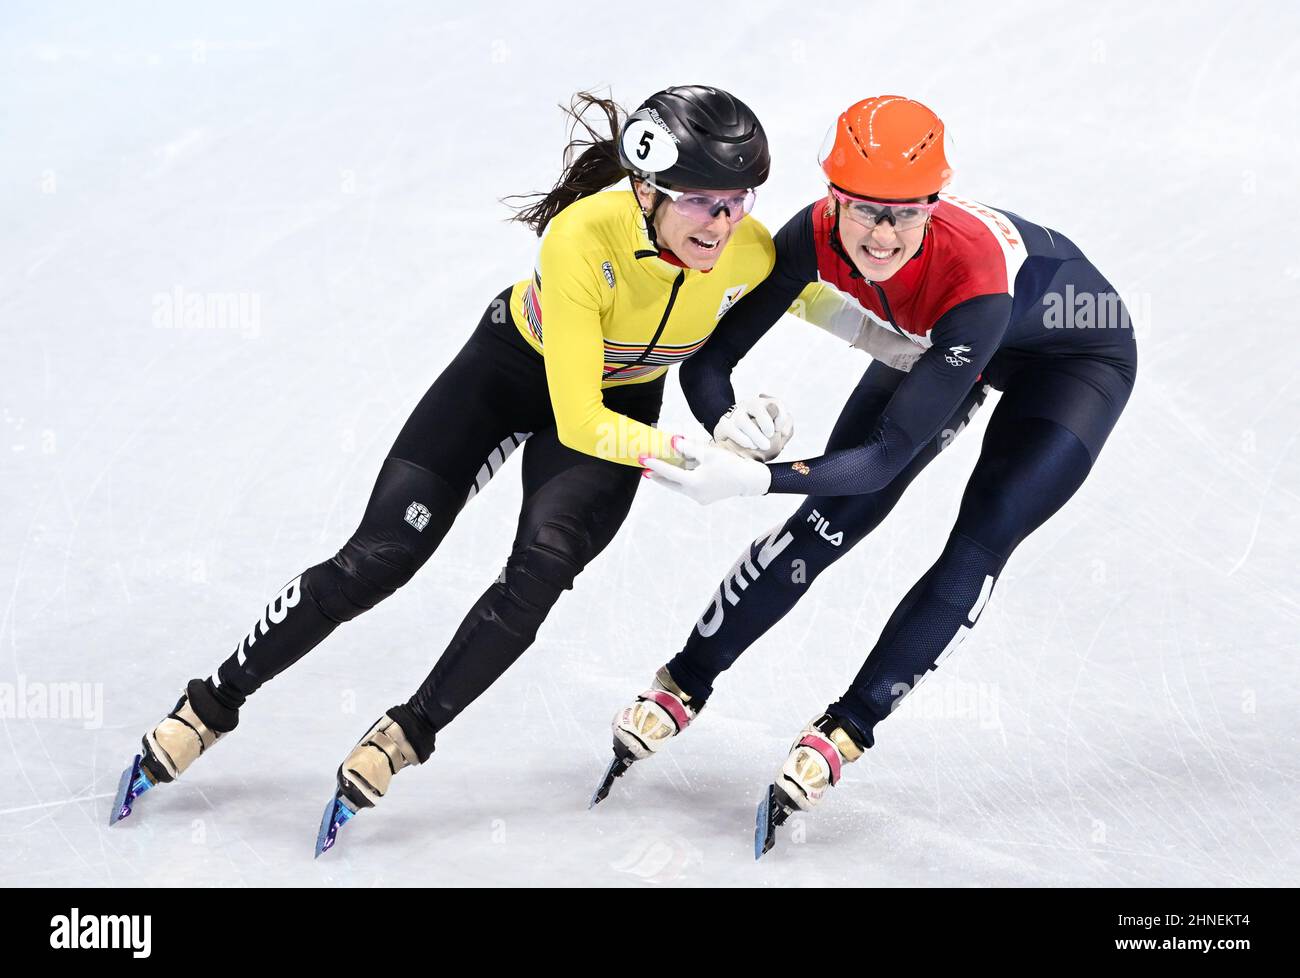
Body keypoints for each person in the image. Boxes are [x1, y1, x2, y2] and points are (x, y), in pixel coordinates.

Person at [109, 85, 791, 850]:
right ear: (645, 188)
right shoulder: (581, 240)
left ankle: (405, 735)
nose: (724, 223)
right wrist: (685, 453)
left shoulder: (750, 249)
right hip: (511, 379)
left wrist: (911, 345)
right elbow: (578, 418)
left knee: (539, 574)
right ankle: (210, 705)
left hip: (620, 408)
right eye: (703, 202)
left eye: (738, 200)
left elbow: (818, 291)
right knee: (379, 560)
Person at [612, 95, 1139, 846]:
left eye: (906, 214)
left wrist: (760, 477)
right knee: (826, 522)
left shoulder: (973, 271)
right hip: (941, 341)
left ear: (934, 203)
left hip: (1071, 361)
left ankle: (848, 729)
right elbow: (713, 353)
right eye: (865, 211)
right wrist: (722, 420)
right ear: (832, 200)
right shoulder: (814, 234)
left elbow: (885, 456)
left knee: (981, 538)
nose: (883, 236)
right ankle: (684, 683)